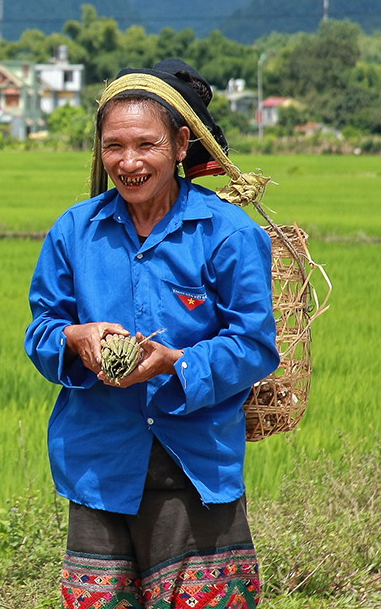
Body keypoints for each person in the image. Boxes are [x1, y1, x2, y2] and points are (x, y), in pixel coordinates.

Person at [24, 59, 279, 608]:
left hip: (196, 469)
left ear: (182, 144)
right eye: (114, 146)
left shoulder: (228, 233)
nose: (129, 161)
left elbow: (255, 345)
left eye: (147, 144)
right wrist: (75, 338)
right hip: (98, 469)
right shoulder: (75, 230)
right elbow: (40, 330)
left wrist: (175, 362)